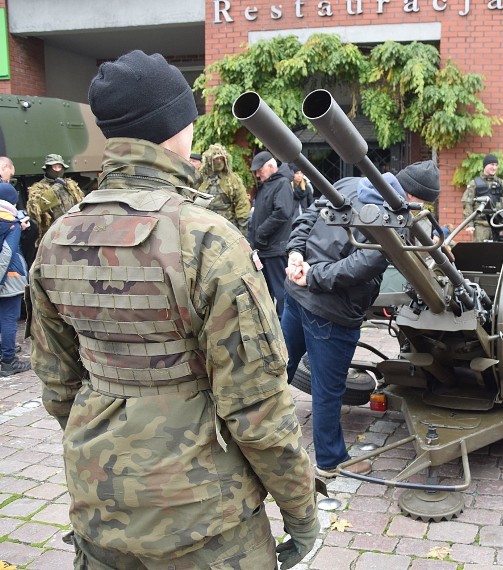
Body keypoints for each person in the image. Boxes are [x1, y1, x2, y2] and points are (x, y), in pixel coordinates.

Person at [28, 50, 317, 569]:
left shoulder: (57, 238)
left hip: (101, 510)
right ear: (174, 128)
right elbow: (256, 409)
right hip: (207, 526)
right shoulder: (205, 240)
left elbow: (58, 386)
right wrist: (301, 515)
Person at [283, 161, 440, 478]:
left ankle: (253, 435)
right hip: (331, 310)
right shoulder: (394, 220)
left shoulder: (349, 183)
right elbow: (361, 266)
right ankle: (331, 460)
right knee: (328, 390)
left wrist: (296, 255)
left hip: (296, 294)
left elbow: (310, 215)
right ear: (413, 196)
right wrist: (310, 272)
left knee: (277, 366)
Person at [250, 150, 297, 321]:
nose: (257, 174)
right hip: (264, 249)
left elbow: (282, 212)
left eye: (259, 170)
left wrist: (261, 233)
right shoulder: (268, 184)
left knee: (282, 293)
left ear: (270, 166)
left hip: (275, 250)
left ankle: (285, 332)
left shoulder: (282, 183)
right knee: (266, 293)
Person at [0, 183, 30, 377]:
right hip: (7, 279)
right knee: (9, 319)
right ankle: (8, 361)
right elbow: (7, 253)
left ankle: (4, 349)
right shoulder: (11, 222)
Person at [26, 154, 84, 247]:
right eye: (54, 167)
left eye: (60, 167)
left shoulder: (70, 185)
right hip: (53, 232)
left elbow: (80, 202)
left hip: (73, 229)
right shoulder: (38, 187)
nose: (57, 170)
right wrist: (55, 188)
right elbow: (36, 209)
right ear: (48, 168)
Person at [196, 143, 251, 235]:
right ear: (209, 161)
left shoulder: (232, 180)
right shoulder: (200, 178)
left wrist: (242, 230)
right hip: (203, 225)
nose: (219, 161)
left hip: (226, 227)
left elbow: (242, 204)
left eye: (221, 158)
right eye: (216, 159)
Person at [462, 153, 503, 242]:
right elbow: (468, 204)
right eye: (492, 164)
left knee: (498, 253)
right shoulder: (475, 184)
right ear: (485, 165)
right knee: (480, 252)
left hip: (497, 226)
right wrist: (470, 225)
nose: (494, 167)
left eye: (496, 165)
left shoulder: (501, 184)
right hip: (480, 226)